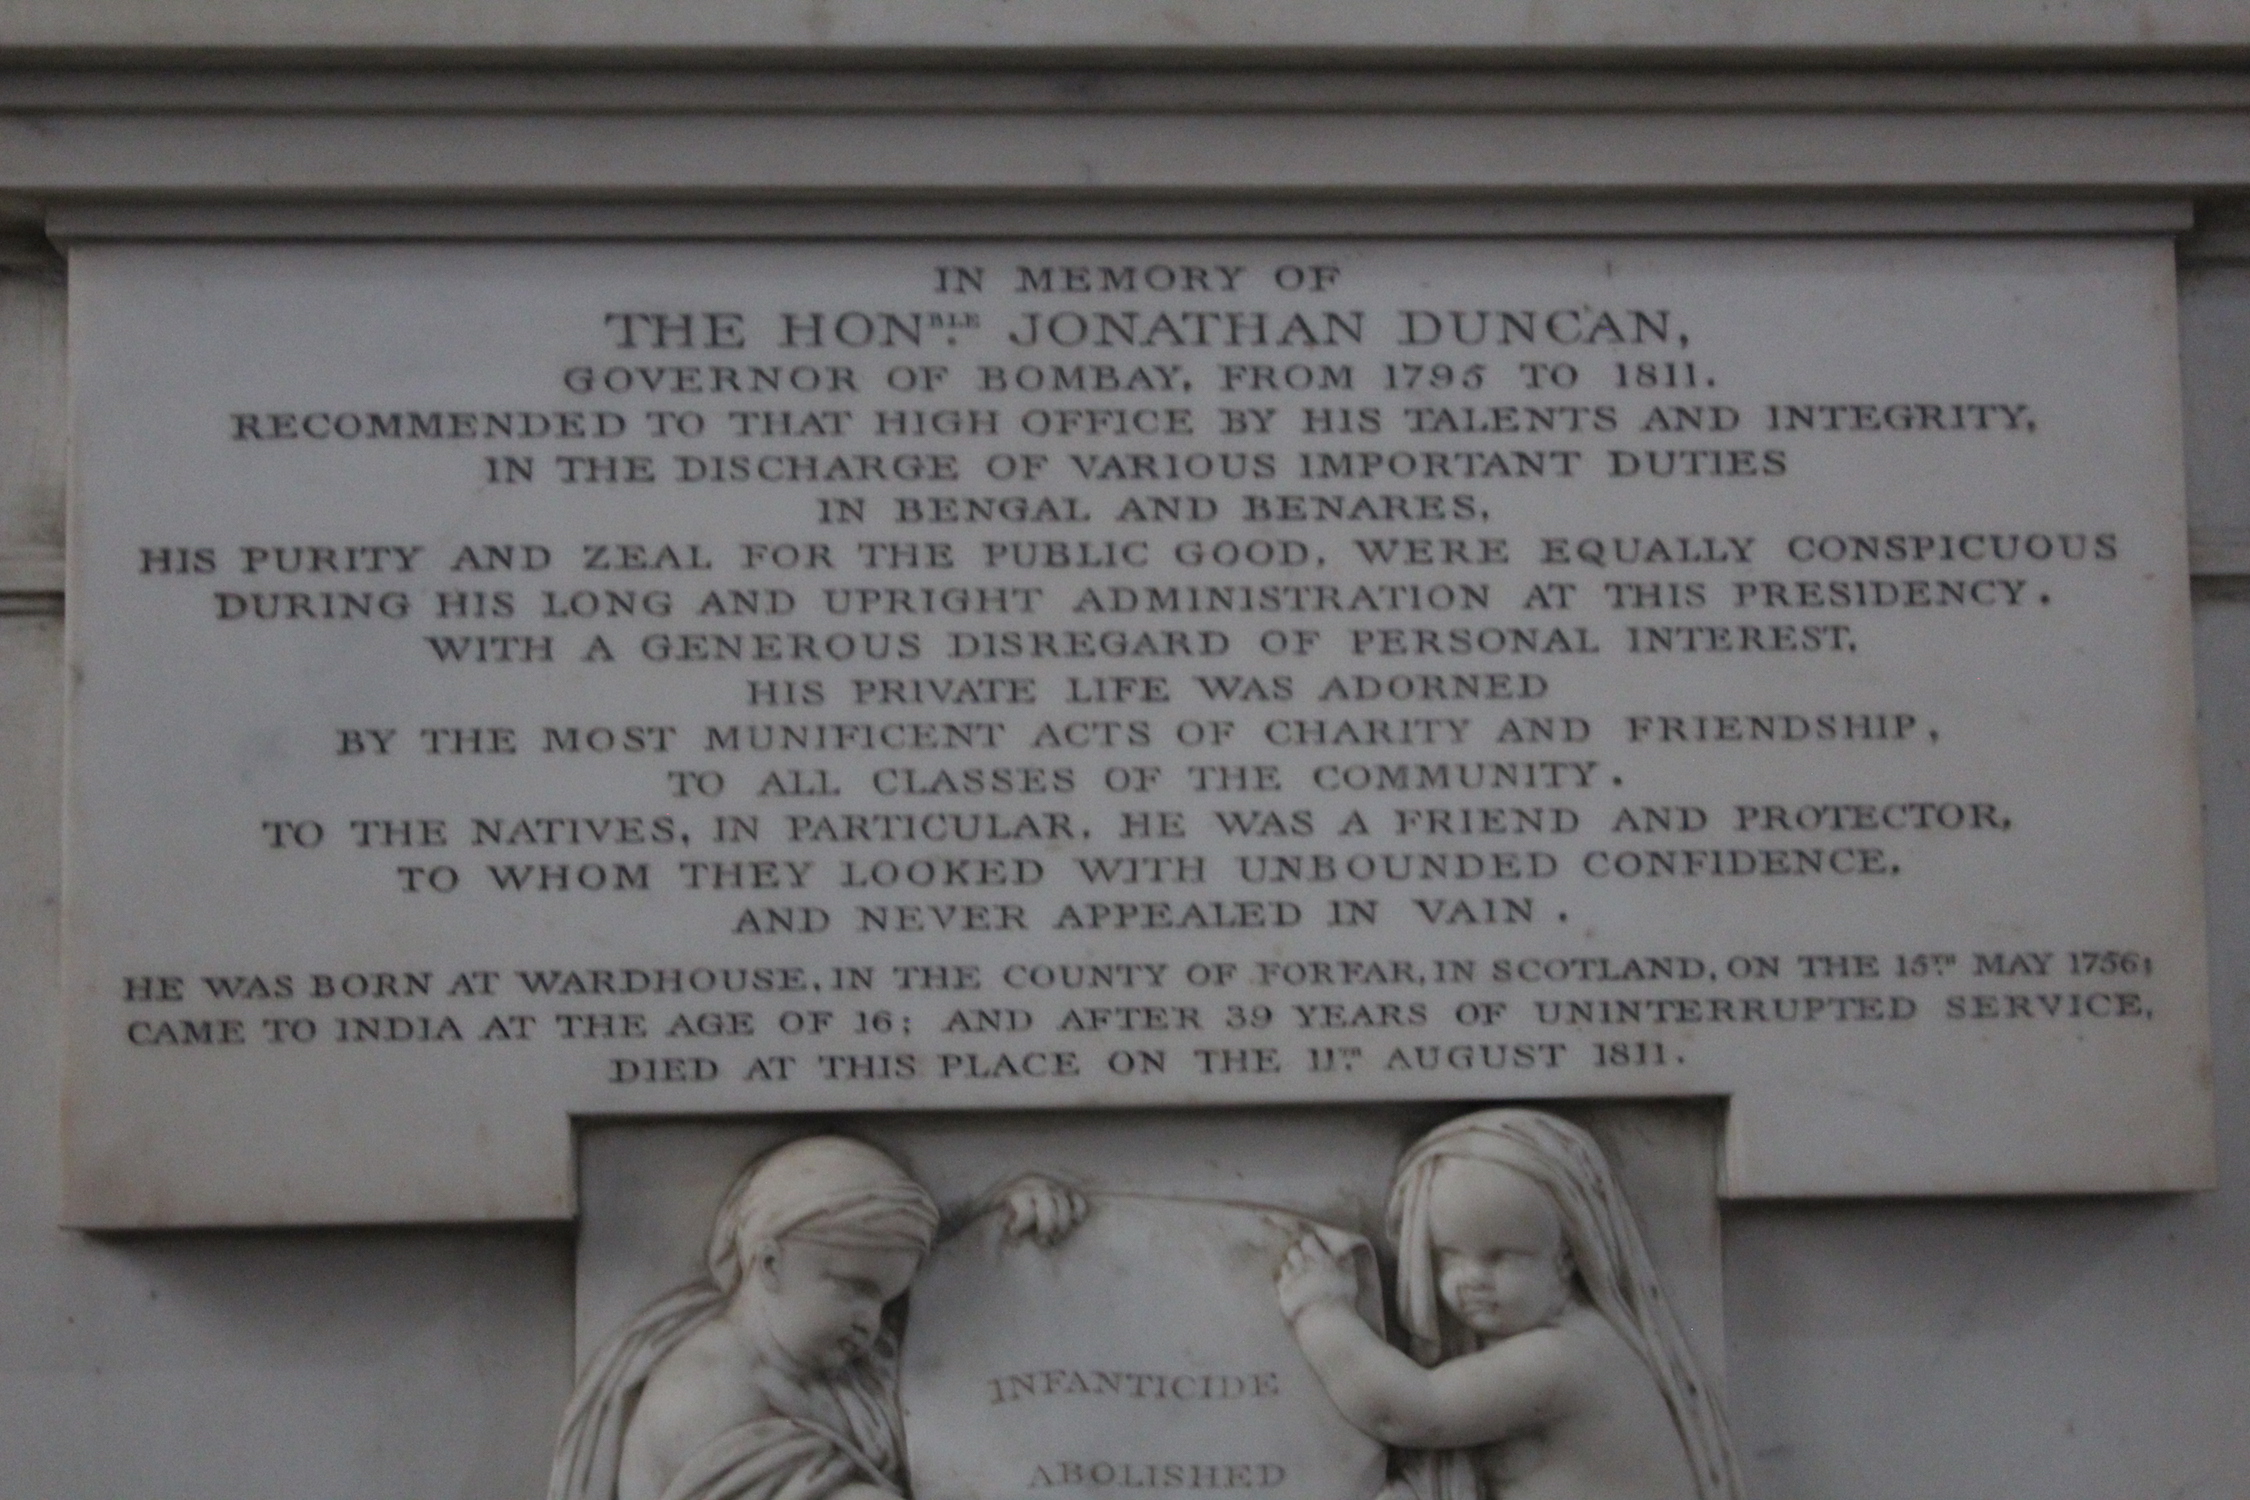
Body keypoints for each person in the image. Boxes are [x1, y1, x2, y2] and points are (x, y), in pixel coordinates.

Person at [550, 1135, 1084, 1500]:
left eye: (887, 1301)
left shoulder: (821, 1354)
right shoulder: (704, 1393)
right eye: (856, 1290)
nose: (872, 1323)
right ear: (769, 1263)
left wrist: (999, 1217)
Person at [1276, 1110, 1744, 1500]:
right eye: (1449, 1256)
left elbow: (1409, 1412)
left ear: (1566, 1258)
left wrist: (1320, 1310)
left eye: (1502, 1256)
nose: (1471, 1280)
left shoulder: (1566, 1357)